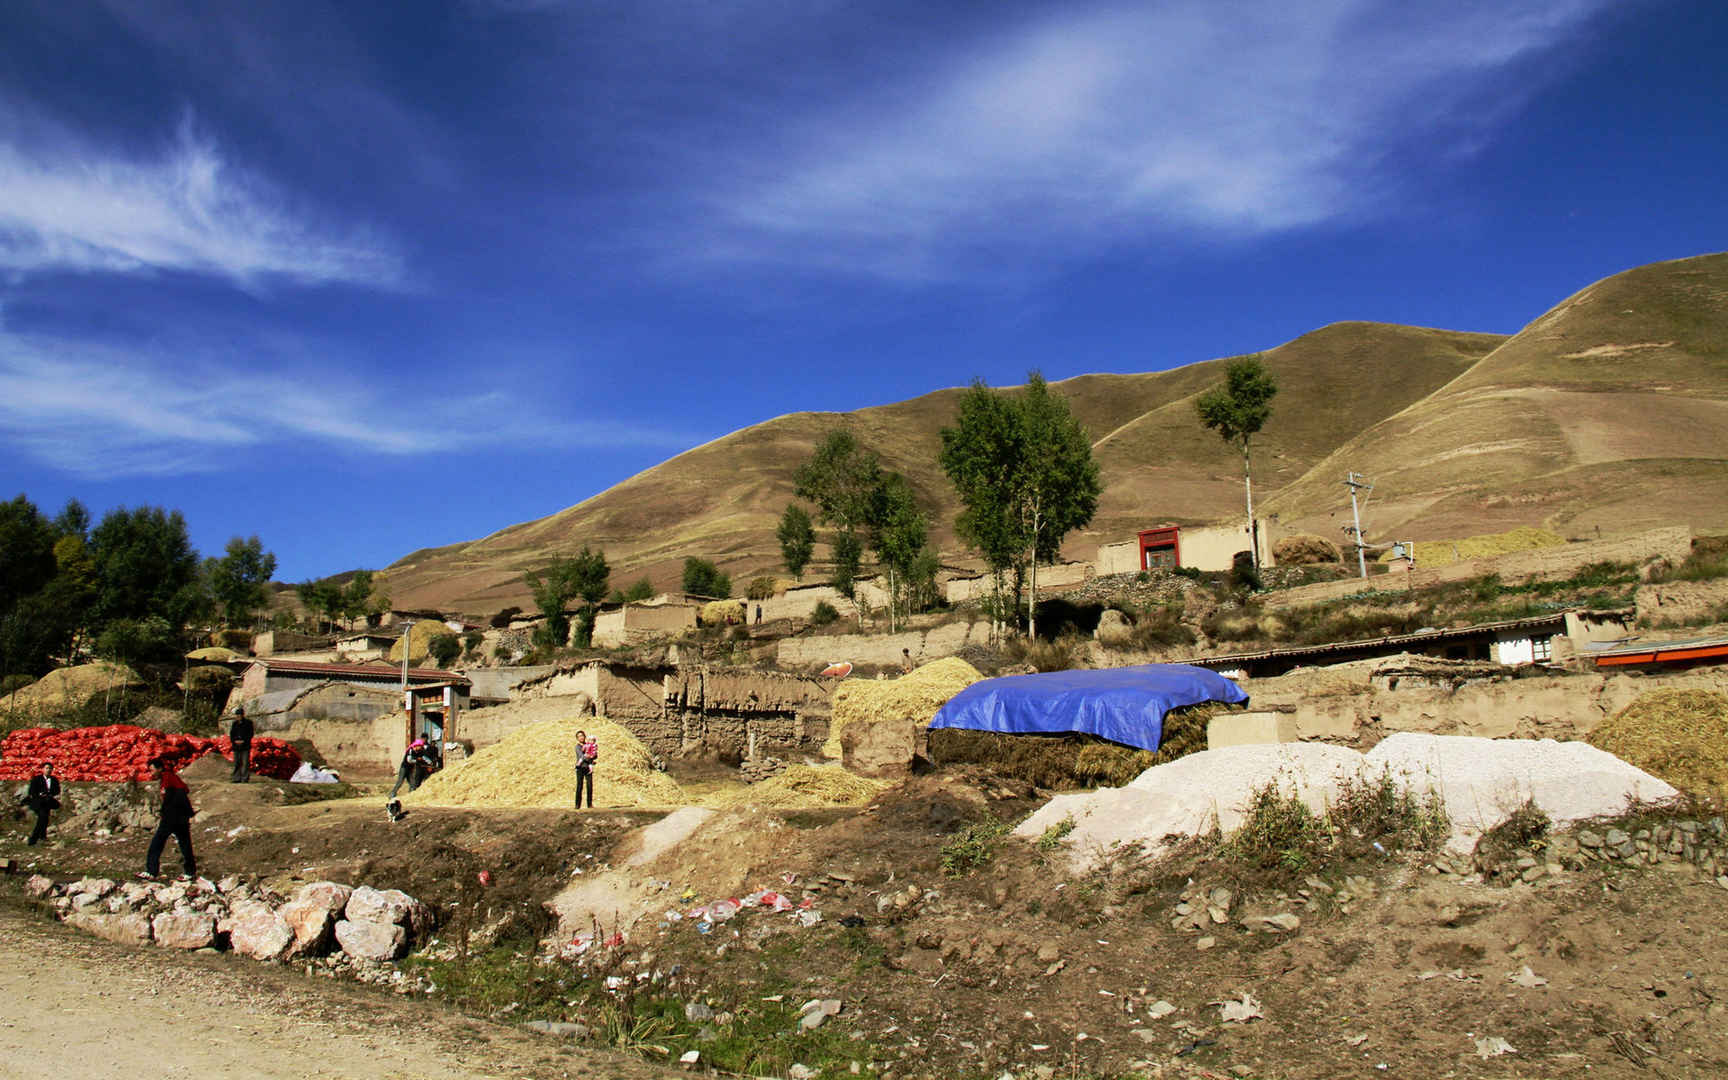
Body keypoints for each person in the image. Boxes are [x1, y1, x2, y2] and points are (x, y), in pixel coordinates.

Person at [142, 756, 196, 881]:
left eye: (152, 770)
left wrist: (168, 812)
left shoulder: (169, 778)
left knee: (157, 843)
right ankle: (190, 872)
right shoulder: (166, 779)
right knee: (184, 844)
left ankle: (151, 871)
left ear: (160, 768)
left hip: (173, 817)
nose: (151, 773)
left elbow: (179, 793)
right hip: (178, 817)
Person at [25, 760, 61, 846]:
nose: (48, 770)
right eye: (46, 768)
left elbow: (57, 790)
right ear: (43, 769)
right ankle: (33, 839)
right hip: (38, 803)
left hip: (48, 803)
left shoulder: (54, 780)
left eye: (50, 768)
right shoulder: (37, 779)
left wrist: (50, 794)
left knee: (45, 819)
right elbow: (32, 792)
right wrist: (40, 794)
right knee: (42, 818)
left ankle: (42, 837)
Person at [228, 705, 254, 784]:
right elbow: (232, 734)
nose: (238, 717)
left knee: (245, 762)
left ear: (243, 715)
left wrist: (243, 741)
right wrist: (235, 741)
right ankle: (236, 778)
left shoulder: (248, 723)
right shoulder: (234, 724)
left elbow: (250, 734)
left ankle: (244, 778)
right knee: (237, 762)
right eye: (237, 715)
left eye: (239, 715)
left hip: (245, 746)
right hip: (236, 746)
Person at [574, 729, 598, 809]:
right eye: (579, 736)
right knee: (579, 786)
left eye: (582, 736)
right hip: (580, 768)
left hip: (588, 767)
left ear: (585, 736)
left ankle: (589, 804)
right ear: (577, 738)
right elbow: (581, 756)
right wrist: (590, 757)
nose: (581, 738)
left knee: (589, 786)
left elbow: (595, 755)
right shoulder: (577, 747)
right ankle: (577, 805)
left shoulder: (590, 745)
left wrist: (592, 756)